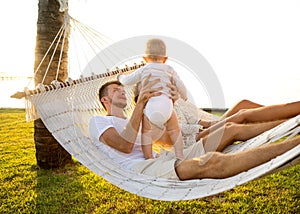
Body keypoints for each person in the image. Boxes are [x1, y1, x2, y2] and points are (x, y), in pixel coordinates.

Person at [89, 76, 300, 180]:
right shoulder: (99, 122)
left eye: (122, 89)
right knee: (211, 162)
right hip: (141, 170)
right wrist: (141, 105)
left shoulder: (138, 119)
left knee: (230, 129)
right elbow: (124, 146)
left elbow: (165, 137)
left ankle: (293, 125)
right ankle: (295, 144)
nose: (122, 92)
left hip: (163, 157)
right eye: (116, 90)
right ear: (105, 100)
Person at [118, 38, 187, 160]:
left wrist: (120, 77)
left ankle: (149, 157)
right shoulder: (170, 69)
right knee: (175, 130)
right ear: (165, 59)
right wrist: (184, 96)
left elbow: (127, 81)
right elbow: (180, 84)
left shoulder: (145, 69)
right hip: (167, 106)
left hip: (151, 107)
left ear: (145, 58)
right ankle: (180, 155)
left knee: (146, 133)